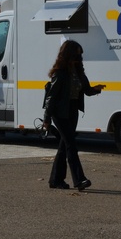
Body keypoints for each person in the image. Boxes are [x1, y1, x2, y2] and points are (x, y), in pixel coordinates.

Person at [43, 40, 104, 191]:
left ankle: (55, 180)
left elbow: (86, 90)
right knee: (71, 145)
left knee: (64, 146)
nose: (78, 59)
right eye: (75, 56)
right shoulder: (60, 73)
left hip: (72, 111)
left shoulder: (79, 71)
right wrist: (46, 118)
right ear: (68, 55)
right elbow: (51, 96)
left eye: (79, 56)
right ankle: (79, 179)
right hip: (60, 112)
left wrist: (96, 89)